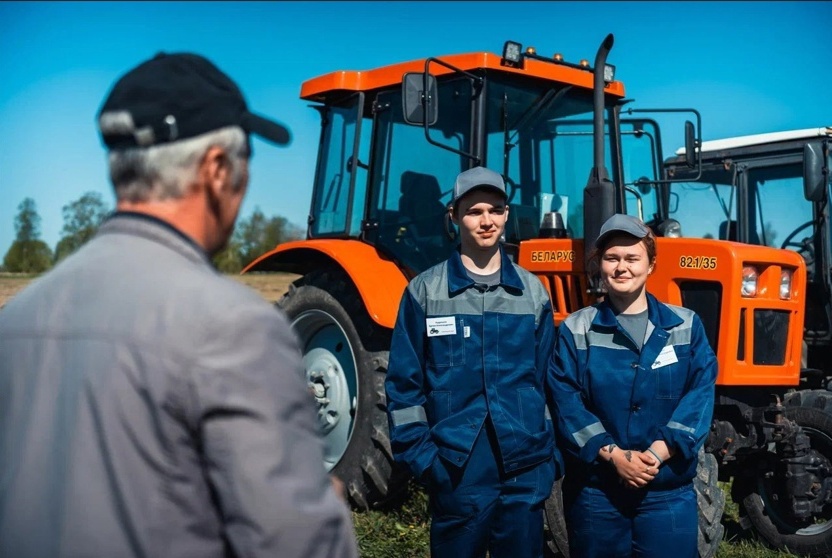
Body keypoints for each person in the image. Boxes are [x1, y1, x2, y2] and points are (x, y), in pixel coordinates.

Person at [0, 52, 358, 558]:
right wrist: (327, 508)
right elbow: (299, 545)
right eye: (245, 165)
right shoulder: (234, 328)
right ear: (216, 170)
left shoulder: (17, 319)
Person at [385, 166, 559, 558]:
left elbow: (551, 382)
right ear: (454, 216)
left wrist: (551, 460)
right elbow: (403, 386)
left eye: (495, 210)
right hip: (456, 464)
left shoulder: (533, 292)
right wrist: (426, 461)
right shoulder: (425, 292)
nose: (486, 221)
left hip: (525, 463)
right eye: (474, 211)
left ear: (506, 216)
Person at [547, 213, 718, 558]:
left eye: (632, 258)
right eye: (612, 258)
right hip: (597, 495)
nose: (621, 267)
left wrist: (656, 453)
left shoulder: (685, 326)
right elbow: (565, 401)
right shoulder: (576, 329)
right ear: (600, 264)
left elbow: (699, 393)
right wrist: (614, 456)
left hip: (666, 490)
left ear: (651, 264)